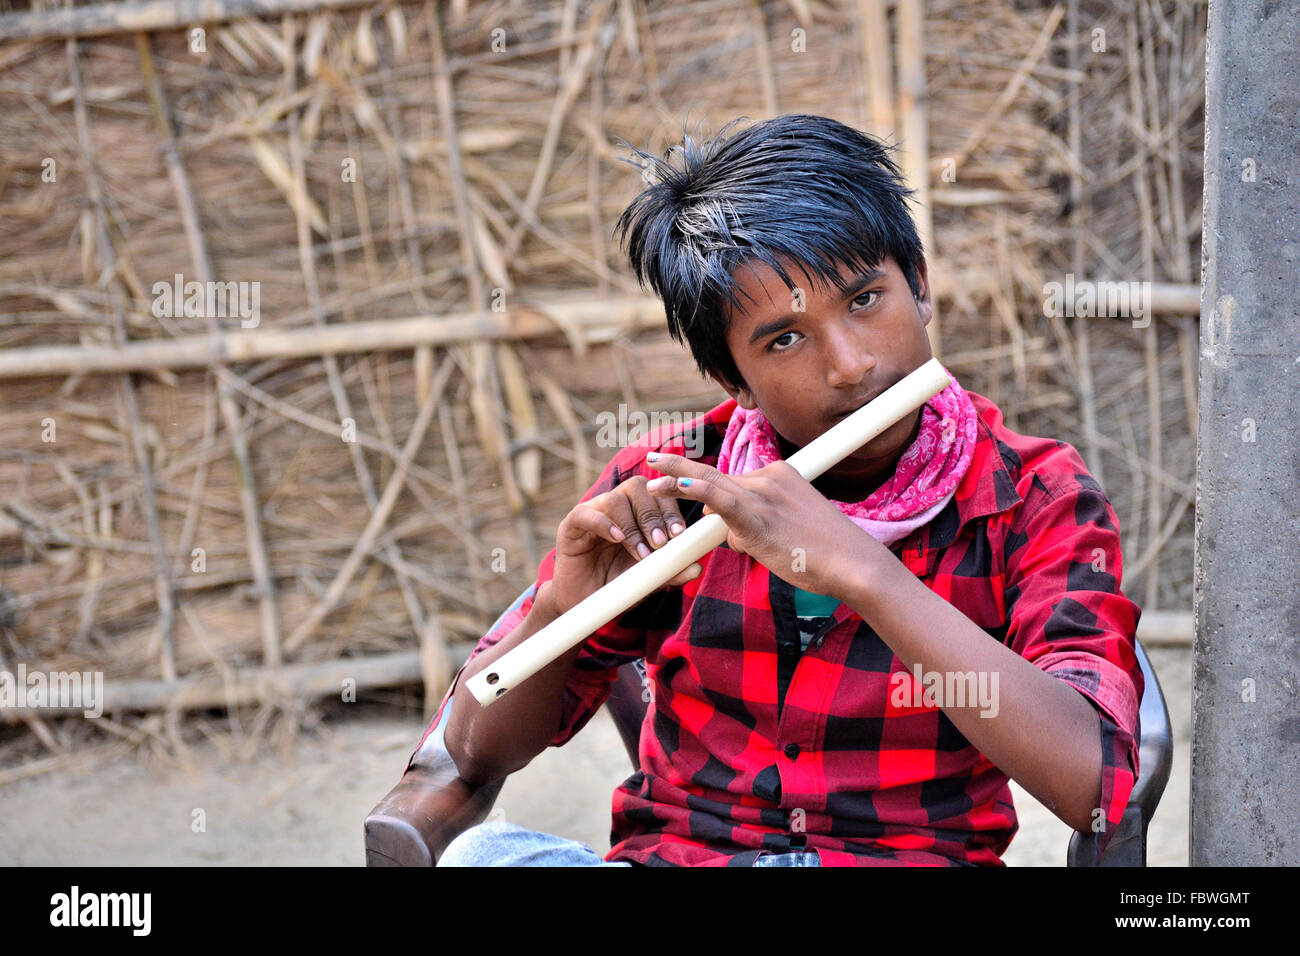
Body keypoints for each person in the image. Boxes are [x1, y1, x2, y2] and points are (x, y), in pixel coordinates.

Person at [425, 114, 1143, 867]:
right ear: (734, 379)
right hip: (683, 857)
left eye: (865, 299)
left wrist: (863, 572)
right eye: (785, 339)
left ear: (921, 286)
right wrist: (560, 608)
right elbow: (474, 751)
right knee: (484, 857)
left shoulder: (1034, 496)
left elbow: (1091, 785)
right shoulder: (670, 486)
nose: (851, 364)